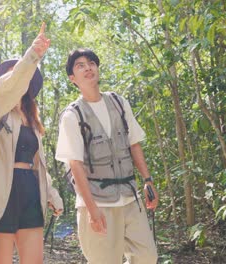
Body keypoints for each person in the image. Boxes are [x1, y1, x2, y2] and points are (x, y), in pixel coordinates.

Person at [55, 48, 159, 264]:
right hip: (97, 202)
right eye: (80, 65)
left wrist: (148, 180)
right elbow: (75, 165)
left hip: (130, 196)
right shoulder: (72, 115)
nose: (88, 67)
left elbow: (134, 144)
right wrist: (92, 211)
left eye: (91, 62)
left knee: (147, 257)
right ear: (72, 78)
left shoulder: (118, 103)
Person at [0, 23, 64, 263]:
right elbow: (8, 87)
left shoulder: (34, 121)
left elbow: (39, 164)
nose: (17, 76)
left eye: (22, 72)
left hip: (30, 192)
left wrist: (51, 194)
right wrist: (32, 55)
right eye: (12, 73)